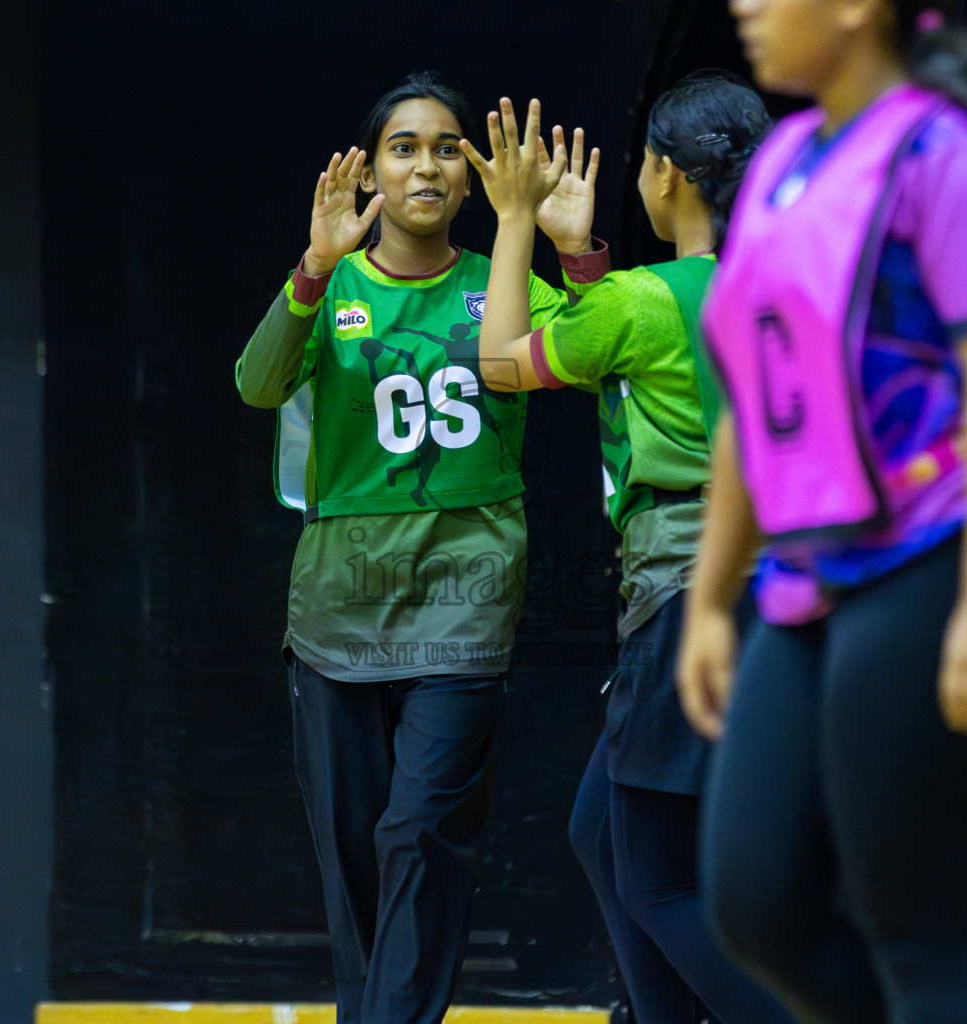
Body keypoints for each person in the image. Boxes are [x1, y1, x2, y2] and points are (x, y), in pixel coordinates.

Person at [676, 2, 967, 1022]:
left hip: (951, 543)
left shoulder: (958, 163)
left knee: (920, 938)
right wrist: (712, 601)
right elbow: (747, 408)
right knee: (757, 903)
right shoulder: (778, 167)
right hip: (814, 566)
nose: (746, 7)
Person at [234, 71, 607, 1024]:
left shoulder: (500, 282)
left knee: (419, 834)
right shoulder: (336, 288)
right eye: (404, 147)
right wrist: (311, 272)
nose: (428, 165)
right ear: (372, 174)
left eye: (448, 146)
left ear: (475, 173)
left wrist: (575, 256)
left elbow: (598, 355)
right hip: (337, 614)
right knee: (356, 856)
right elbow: (257, 383)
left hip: (465, 599)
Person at [460, 74, 789, 1024]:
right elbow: (632, 360)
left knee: (657, 881)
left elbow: (501, 361)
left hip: (689, 597)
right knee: (599, 831)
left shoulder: (646, 301)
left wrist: (516, 219)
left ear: (670, 176)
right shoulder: (773, 286)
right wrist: (582, 258)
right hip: (780, 596)